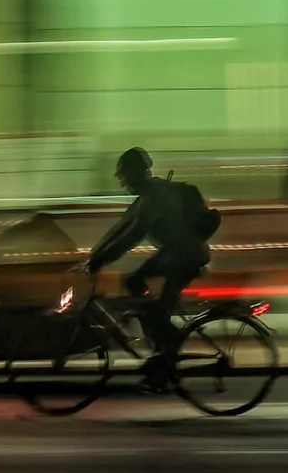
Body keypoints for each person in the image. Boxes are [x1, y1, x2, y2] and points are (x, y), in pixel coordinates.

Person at [83, 147, 218, 391]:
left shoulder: (155, 197)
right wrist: (94, 255)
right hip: (174, 254)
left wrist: (101, 261)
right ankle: (159, 350)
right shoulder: (146, 198)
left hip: (185, 256)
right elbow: (120, 229)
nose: (120, 178)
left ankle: (167, 354)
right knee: (135, 285)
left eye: (123, 173)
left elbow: (133, 235)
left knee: (158, 310)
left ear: (136, 172)